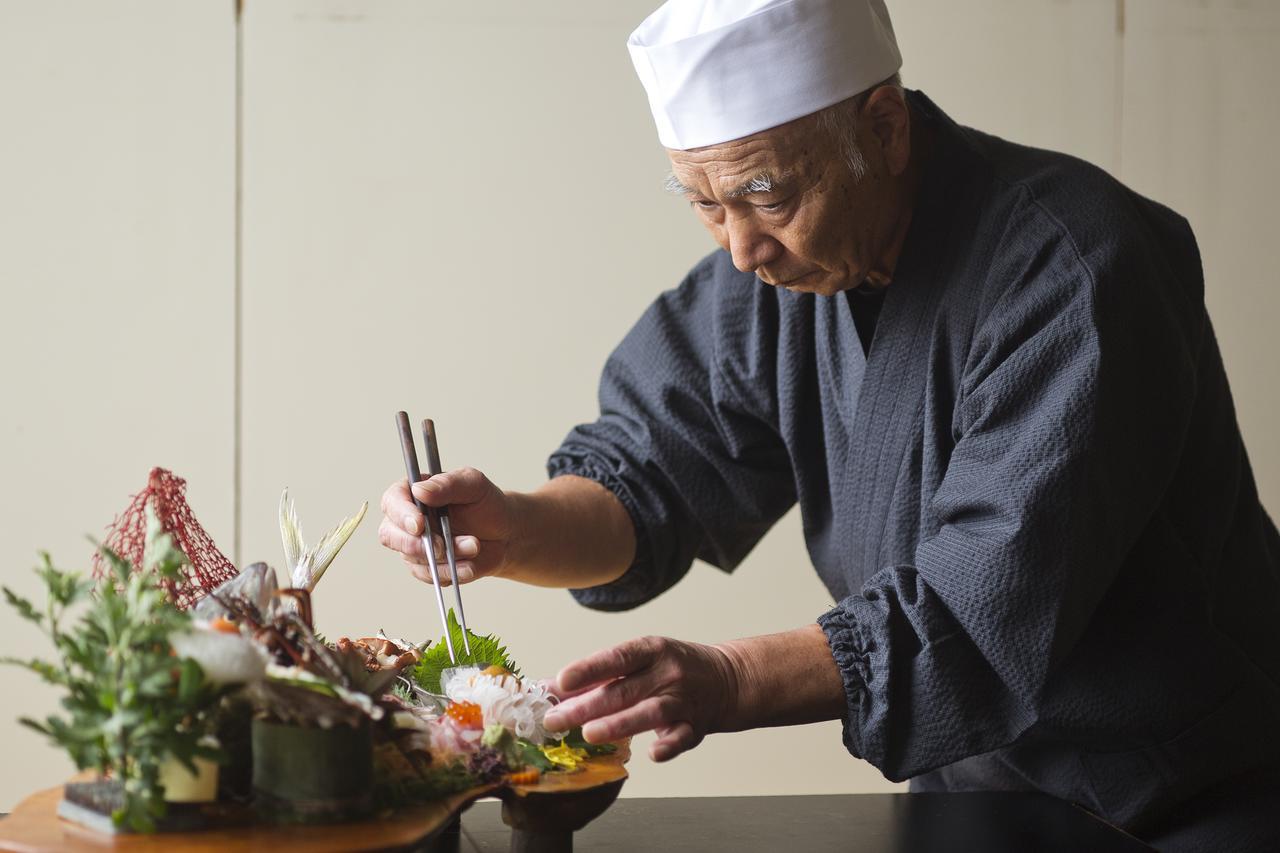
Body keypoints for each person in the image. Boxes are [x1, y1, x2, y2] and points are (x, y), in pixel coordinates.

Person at [379, 1, 1280, 848]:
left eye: (765, 193)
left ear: (883, 128)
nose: (739, 247)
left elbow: (980, 604)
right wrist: (513, 528)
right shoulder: (780, 275)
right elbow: (649, 474)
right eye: (702, 200)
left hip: (1180, 804)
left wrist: (727, 679)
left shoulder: (1075, 268)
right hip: (974, 804)